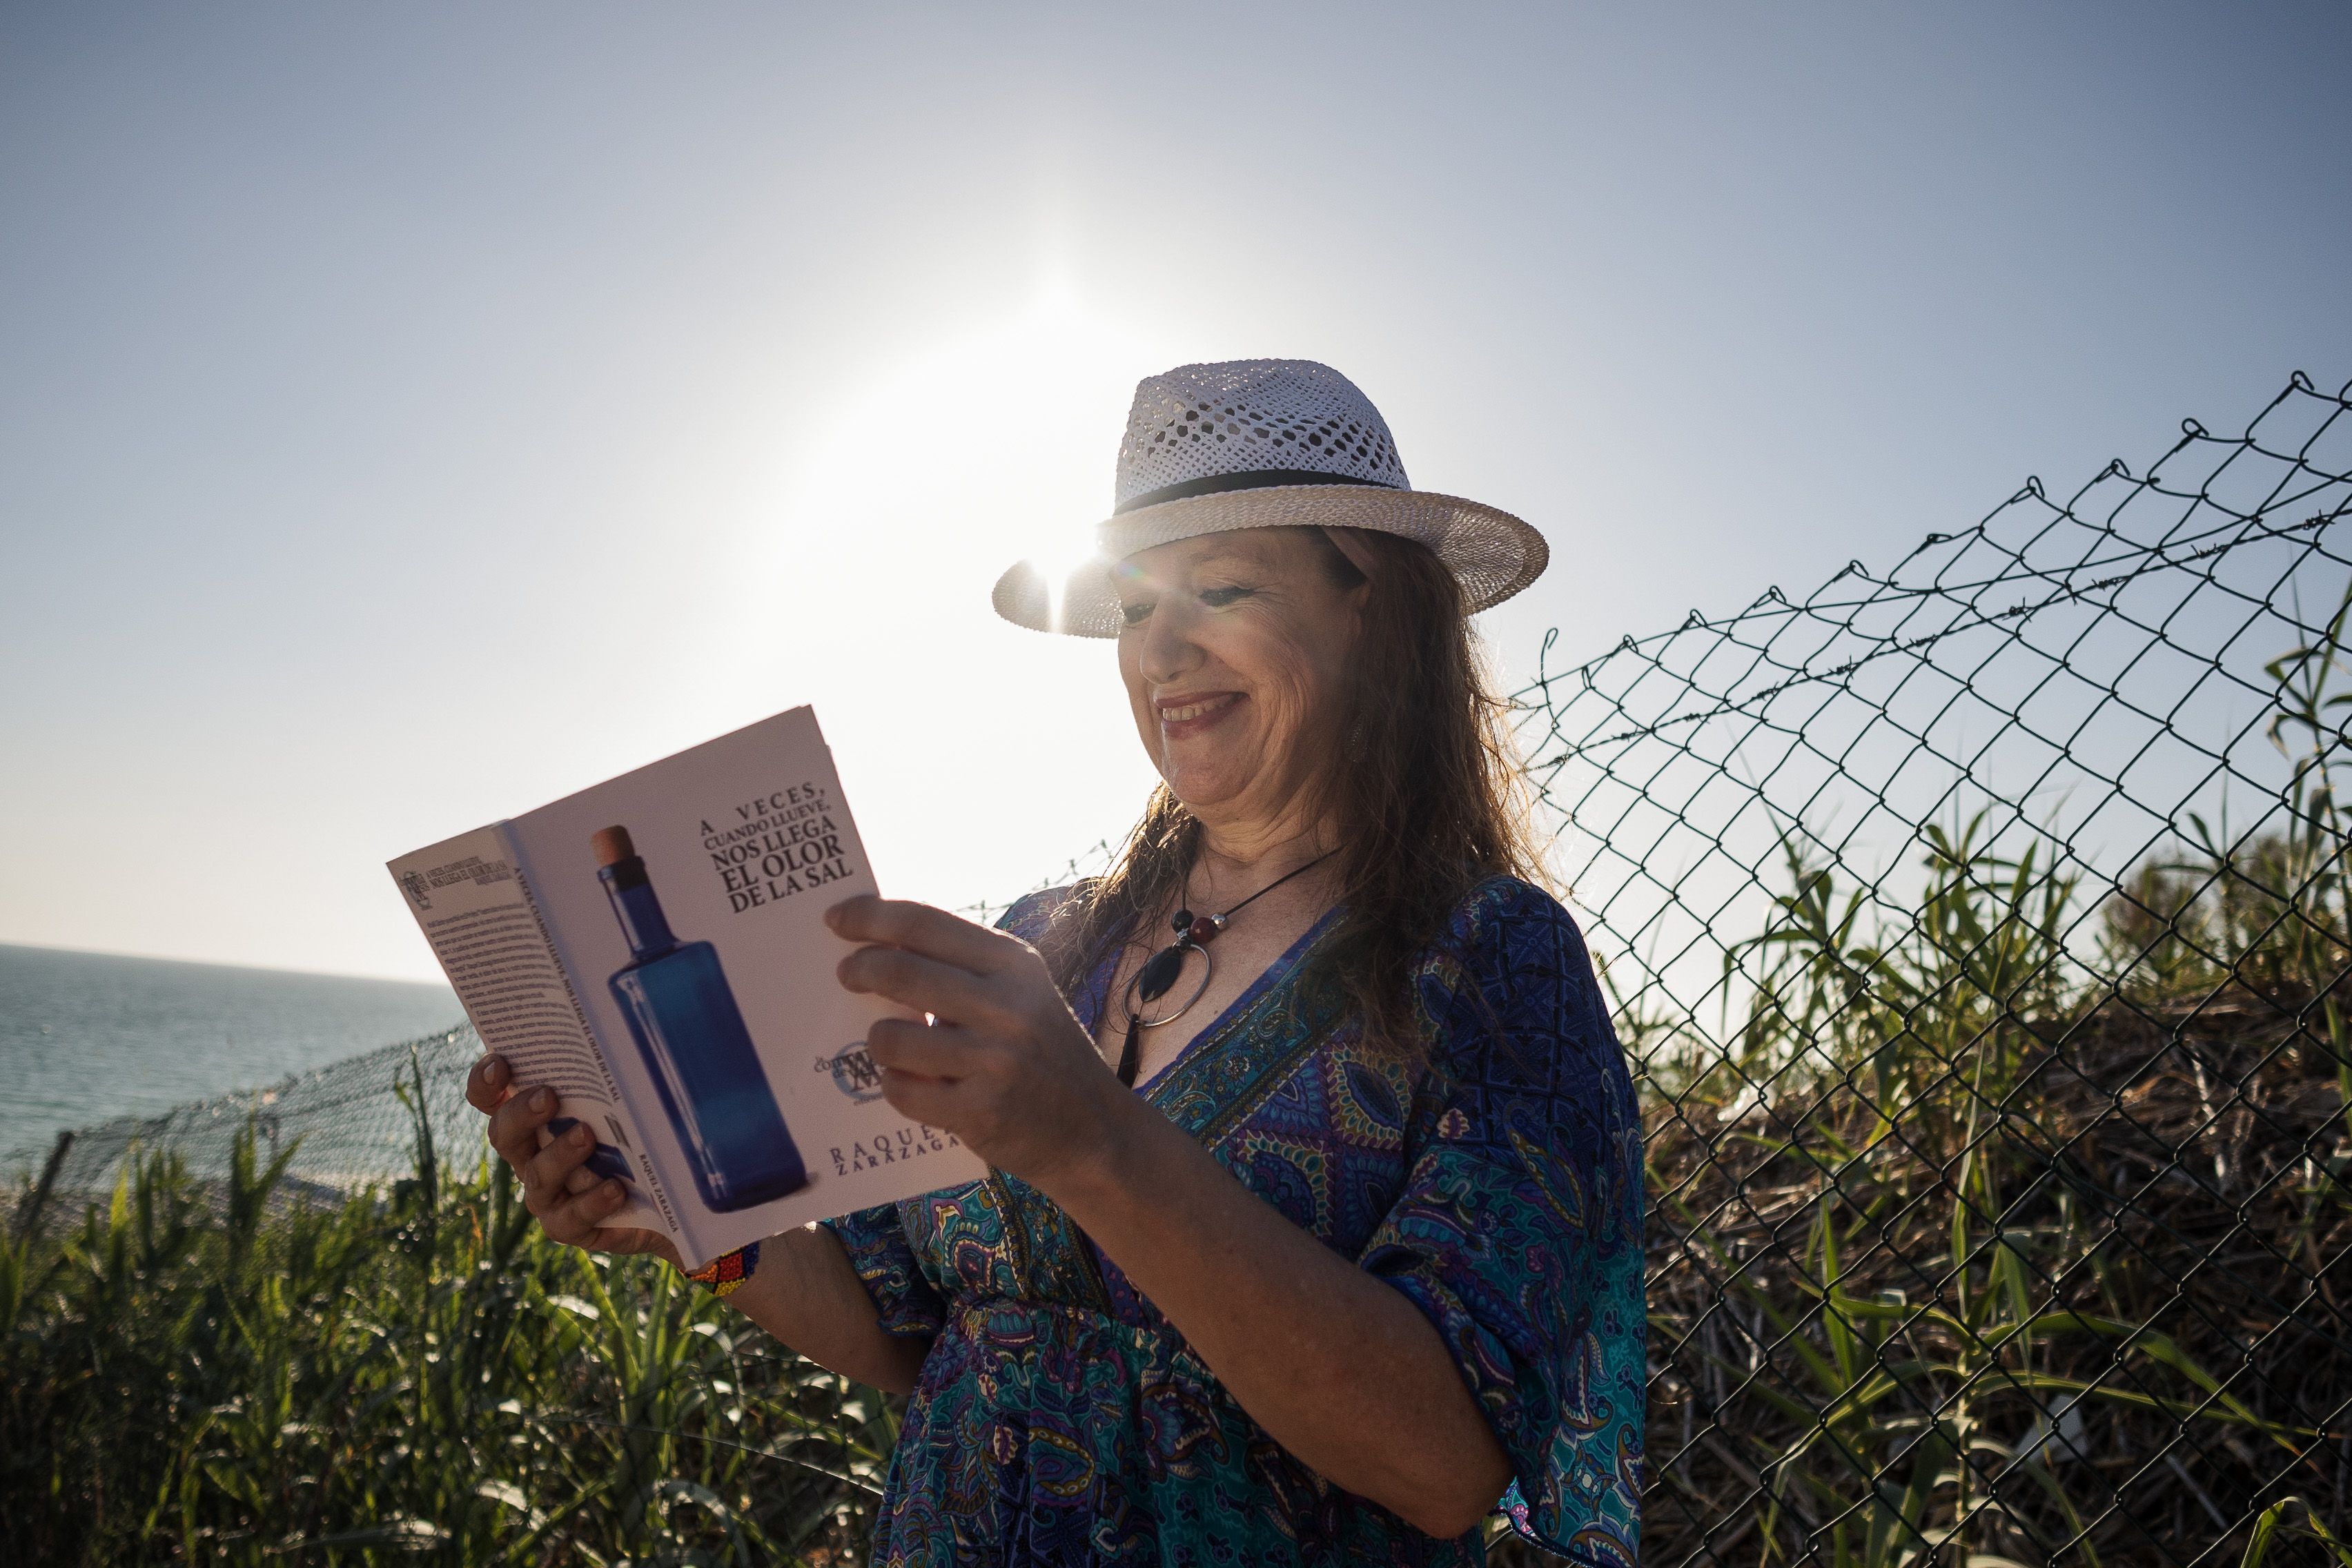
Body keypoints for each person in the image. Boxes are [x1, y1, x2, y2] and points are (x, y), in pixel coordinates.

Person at [466, 360, 1645, 1566]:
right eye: (1136, 609)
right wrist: (688, 1220)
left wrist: (1093, 1141)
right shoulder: (1047, 938)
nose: (1164, 649)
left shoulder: (1490, 961)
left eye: (1223, 587)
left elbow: (1446, 1464)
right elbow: (902, 1329)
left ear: (1374, 610)